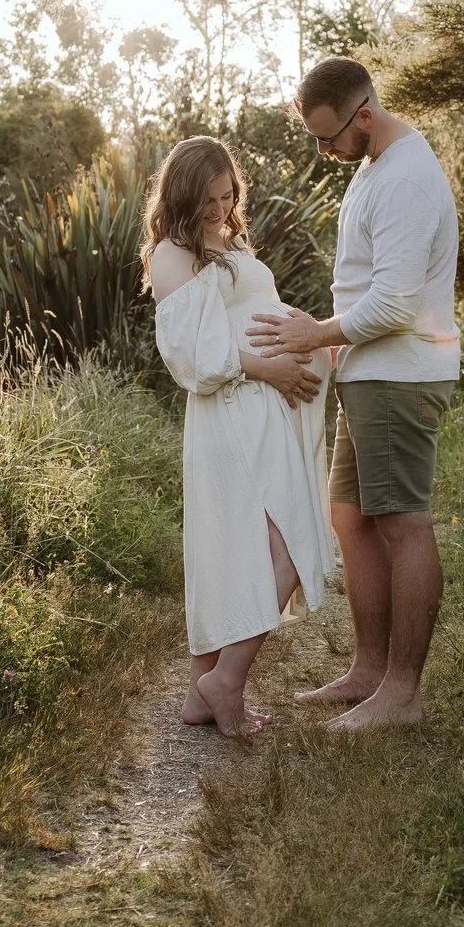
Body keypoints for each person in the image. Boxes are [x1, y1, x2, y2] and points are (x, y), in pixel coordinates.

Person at [250, 58, 459, 732]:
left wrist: (316, 333)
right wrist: (330, 344)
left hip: (402, 372)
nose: (324, 151)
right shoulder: (372, 167)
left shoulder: (406, 178)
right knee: (350, 517)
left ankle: (402, 692)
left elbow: (395, 304)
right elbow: (365, 283)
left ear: (364, 114)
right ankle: (369, 671)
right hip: (367, 374)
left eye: (329, 137)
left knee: (404, 522)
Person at [145, 135, 338, 737]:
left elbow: (255, 314)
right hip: (230, 413)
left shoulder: (230, 242)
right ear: (182, 195)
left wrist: (310, 348)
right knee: (282, 540)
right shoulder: (172, 255)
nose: (220, 210)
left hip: (266, 410)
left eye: (228, 196)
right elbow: (190, 354)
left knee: (253, 543)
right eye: (207, 200)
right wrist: (271, 368)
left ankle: (201, 694)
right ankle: (227, 680)